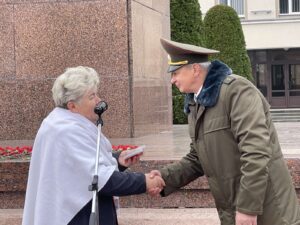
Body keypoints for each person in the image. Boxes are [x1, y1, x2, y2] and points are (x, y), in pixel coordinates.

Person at [150, 38, 300, 225]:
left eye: (176, 73)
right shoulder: (195, 104)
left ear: (195, 69)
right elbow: (198, 158)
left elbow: (257, 151)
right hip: (235, 209)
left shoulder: (237, 91)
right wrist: (165, 177)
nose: (172, 79)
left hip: (269, 211)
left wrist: (247, 207)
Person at [22, 66, 165, 225]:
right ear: (72, 105)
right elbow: (100, 179)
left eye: (96, 94)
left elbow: (81, 166)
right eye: (91, 96)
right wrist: (145, 181)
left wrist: (117, 160)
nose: (99, 101)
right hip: (77, 216)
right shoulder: (66, 131)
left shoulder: (61, 122)